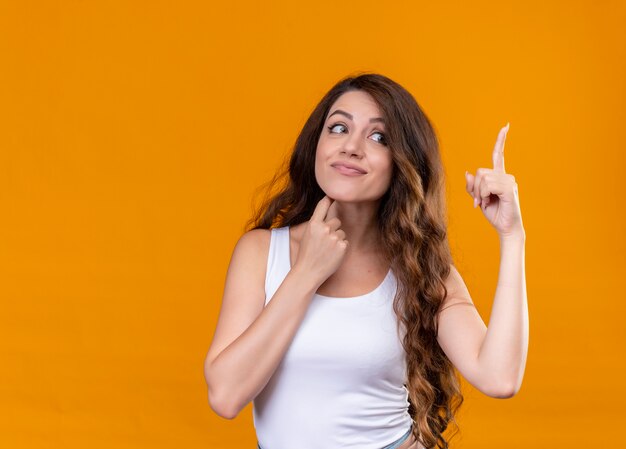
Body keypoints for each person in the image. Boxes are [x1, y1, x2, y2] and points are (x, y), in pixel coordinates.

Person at [204, 72, 528, 449]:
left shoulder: (420, 270)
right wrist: (307, 272)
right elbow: (225, 396)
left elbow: (500, 378)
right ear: (317, 145)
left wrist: (512, 236)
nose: (351, 147)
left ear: (401, 162)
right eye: (338, 128)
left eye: (378, 137)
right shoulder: (260, 252)